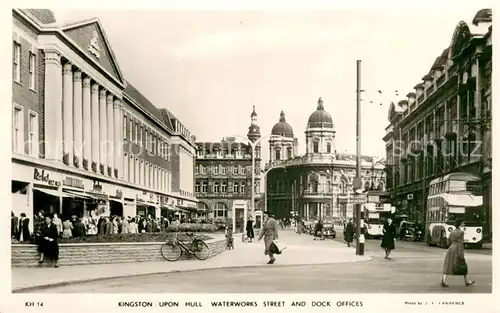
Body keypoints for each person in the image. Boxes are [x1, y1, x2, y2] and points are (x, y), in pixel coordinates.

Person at [441, 219, 475, 287]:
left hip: (451, 249)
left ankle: (443, 280)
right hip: (457, 249)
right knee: (462, 264)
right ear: (460, 224)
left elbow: (448, 242)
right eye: (463, 223)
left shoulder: (452, 232)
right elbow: (460, 243)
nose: (463, 224)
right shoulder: (461, 232)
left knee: (448, 264)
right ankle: (466, 281)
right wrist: (461, 253)